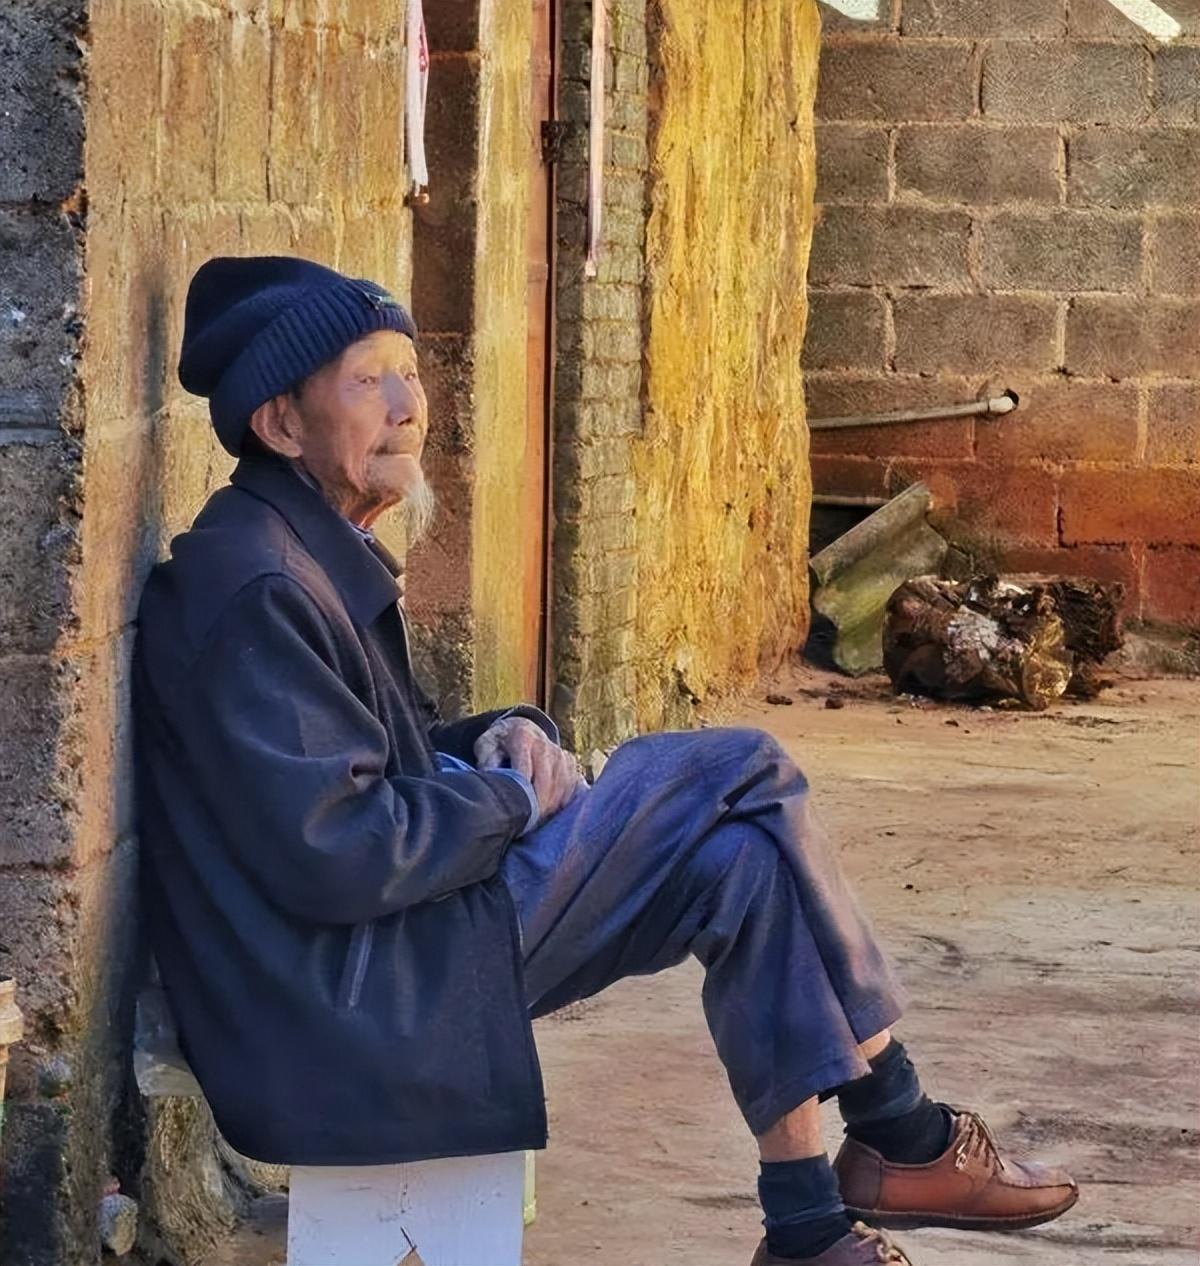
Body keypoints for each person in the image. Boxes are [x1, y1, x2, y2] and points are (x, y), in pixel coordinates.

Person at [133, 257, 1078, 1266]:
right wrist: (511, 797)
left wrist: (496, 736)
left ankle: (806, 1223)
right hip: (343, 998)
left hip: (385, 956)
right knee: (742, 769)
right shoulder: (262, 587)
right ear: (281, 423)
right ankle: (902, 1126)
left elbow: (372, 762)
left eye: (409, 373)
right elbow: (342, 849)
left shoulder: (301, 554)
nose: (410, 407)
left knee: (739, 861)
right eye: (369, 380)